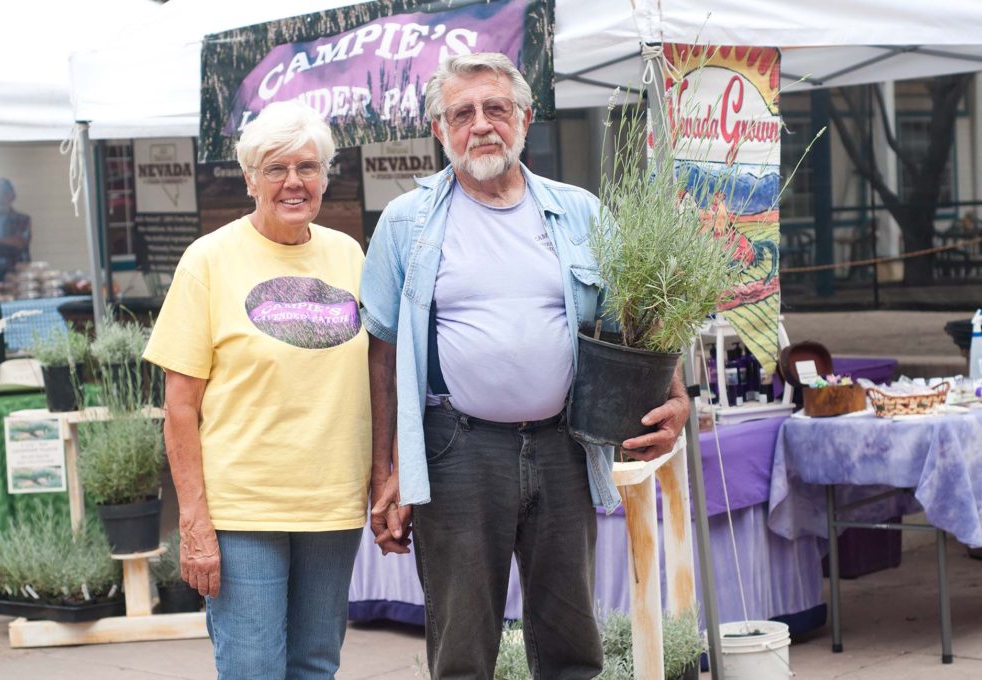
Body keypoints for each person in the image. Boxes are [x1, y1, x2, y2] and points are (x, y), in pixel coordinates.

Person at [361, 53, 690, 679]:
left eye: (496, 108)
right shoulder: (406, 224)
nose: (481, 125)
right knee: (462, 646)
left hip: (565, 443)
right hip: (457, 448)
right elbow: (380, 348)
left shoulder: (580, 213)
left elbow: (641, 315)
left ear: (526, 118)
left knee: (572, 643)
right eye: (462, 113)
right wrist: (384, 473)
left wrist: (675, 395)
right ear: (440, 130)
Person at [143, 100, 371, 680]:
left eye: (307, 167)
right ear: (250, 178)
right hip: (243, 508)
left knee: (316, 664)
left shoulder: (348, 254)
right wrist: (194, 522)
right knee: (252, 668)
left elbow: (375, 375)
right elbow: (179, 408)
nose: (293, 182)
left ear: (325, 176)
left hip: (330, 503)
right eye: (275, 169)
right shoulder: (209, 261)